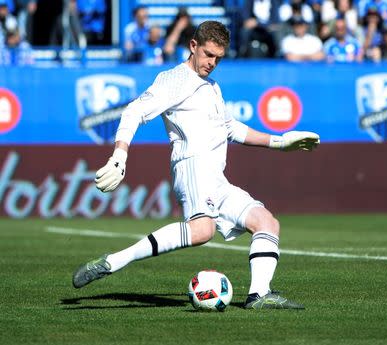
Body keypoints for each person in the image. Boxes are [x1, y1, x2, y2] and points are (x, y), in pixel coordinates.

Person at [72, 20, 320, 310]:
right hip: (192, 166)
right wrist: (120, 155)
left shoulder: (211, 86)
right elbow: (134, 111)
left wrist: (279, 142)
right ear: (193, 46)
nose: (212, 62)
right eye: (208, 54)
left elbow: (230, 128)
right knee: (202, 230)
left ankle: (259, 296)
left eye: (218, 57)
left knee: (266, 222)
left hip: (216, 176)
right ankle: (114, 261)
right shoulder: (175, 79)